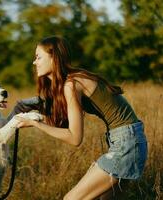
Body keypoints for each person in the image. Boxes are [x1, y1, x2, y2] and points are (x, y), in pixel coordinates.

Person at [8, 36, 148, 199]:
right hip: (130, 141)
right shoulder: (71, 81)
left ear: (54, 58)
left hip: (126, 145)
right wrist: (35, 118)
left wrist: (36, 124)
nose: (34, 62)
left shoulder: (72, 84)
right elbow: (63, 124)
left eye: (38, 57)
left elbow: (75, 138)